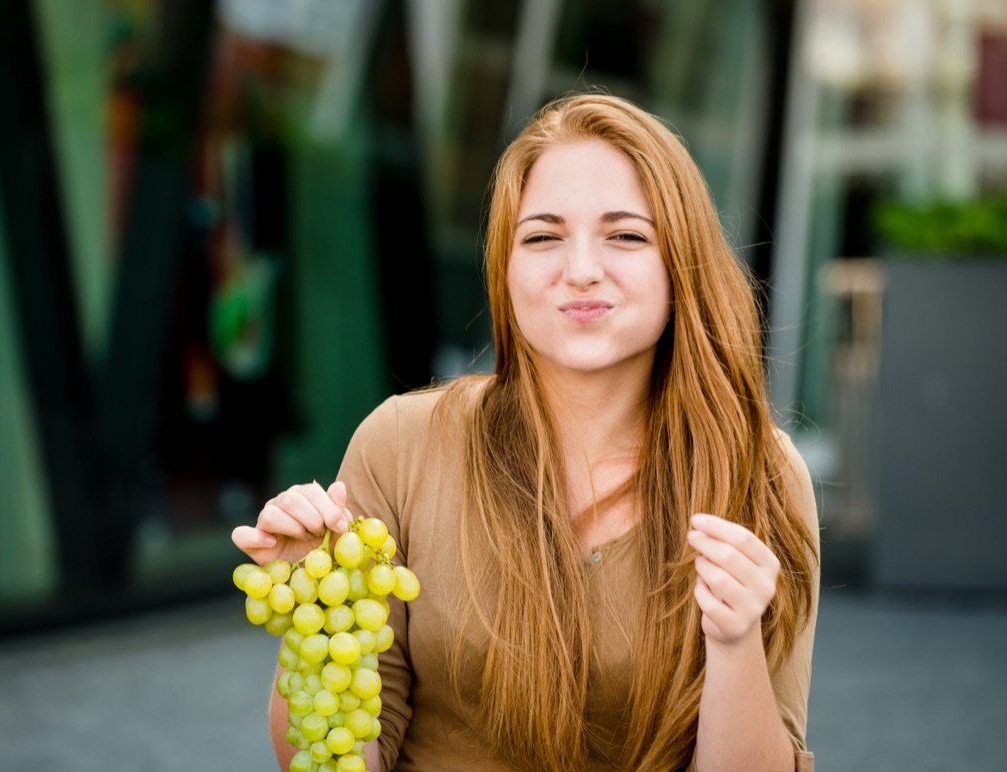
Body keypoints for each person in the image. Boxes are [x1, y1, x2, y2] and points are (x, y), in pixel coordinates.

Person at [232, 92, 820, 772]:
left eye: (625, 235)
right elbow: (336, 761)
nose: (580, 270)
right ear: (504, 270)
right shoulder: (400, 444)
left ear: (679, 263)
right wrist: (318, 621)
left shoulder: (758, 471)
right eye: (542, 237)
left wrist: (735, 639)